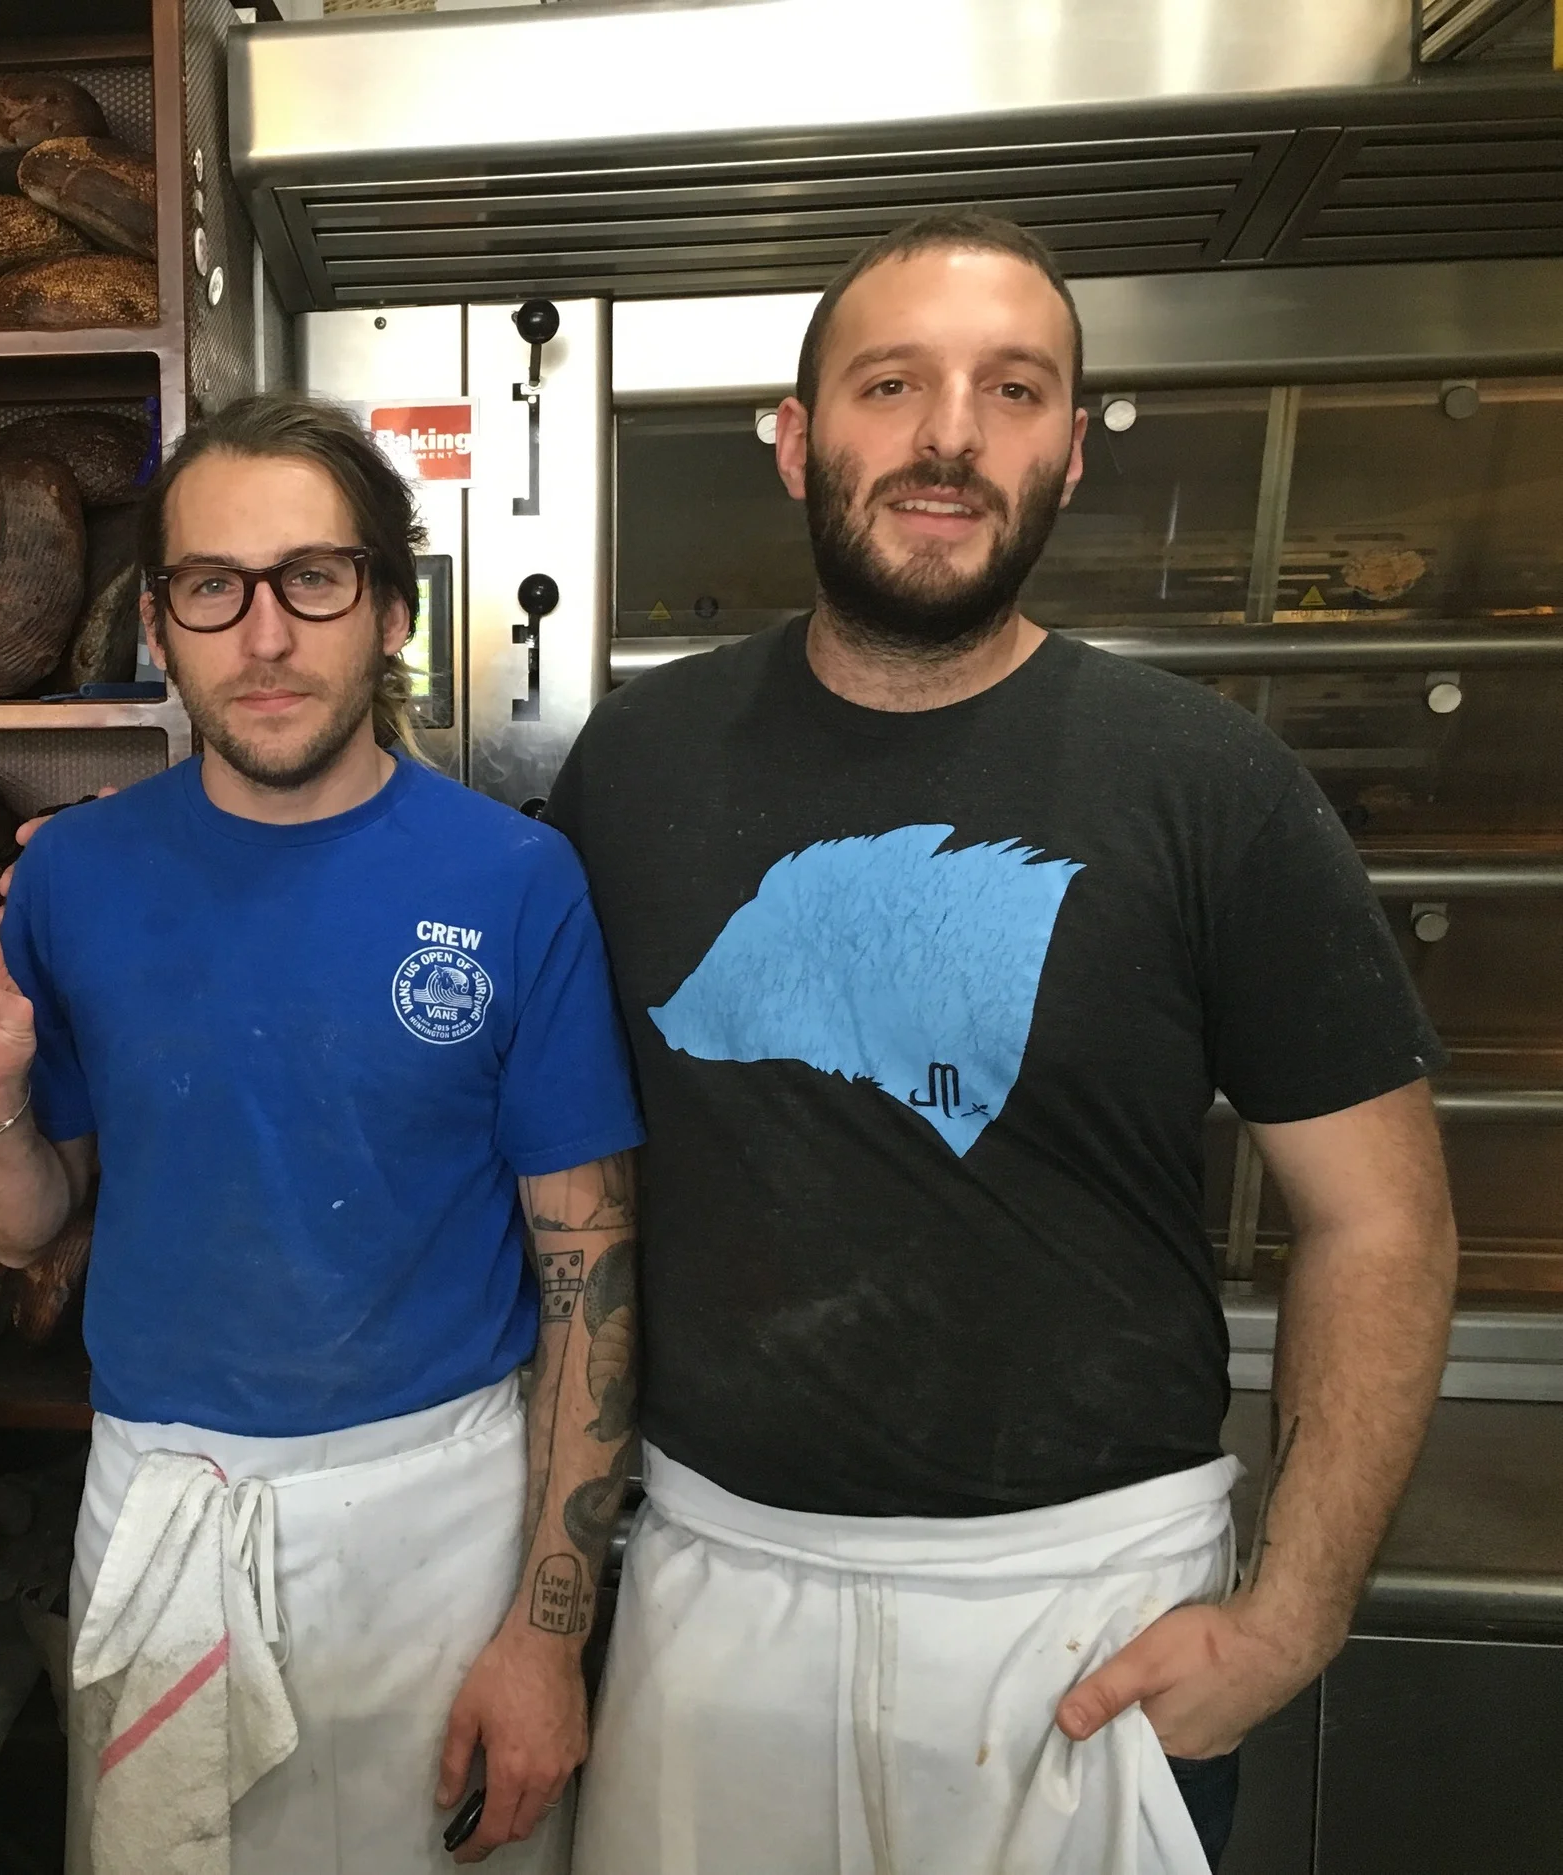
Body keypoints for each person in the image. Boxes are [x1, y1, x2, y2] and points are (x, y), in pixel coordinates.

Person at [554, 212, 1458, 1875]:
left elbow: (1382, 1216)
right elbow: (566, 1177)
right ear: (796, 439)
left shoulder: (1209, 785)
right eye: (891, 383)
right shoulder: (637, 764)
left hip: (1090, 1615)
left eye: (1015, 388)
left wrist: (1293, 1618)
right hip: (714, 1586)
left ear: (1072, 451)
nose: (949, 434)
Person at [0, 393, 645, 1875]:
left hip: (442, 1523)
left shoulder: (516, 881)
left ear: (393, 609)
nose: (266, 634)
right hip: (167, 1512)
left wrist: (550, 1635)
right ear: (159, 624)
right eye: (214, 586)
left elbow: (586, 1274)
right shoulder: (75, 878)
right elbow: (23, 1224)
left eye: (315, 578)